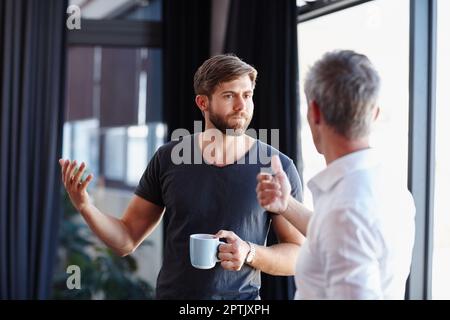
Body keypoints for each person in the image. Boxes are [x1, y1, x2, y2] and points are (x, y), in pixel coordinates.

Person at [59, 54, 304, 300]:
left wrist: (250, 252)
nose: (241, 106)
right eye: (229, 96)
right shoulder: (168, 158)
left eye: (247, 95)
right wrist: (85, 206)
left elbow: (297, 254)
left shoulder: (277, 167)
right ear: (203, 102)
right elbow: (126, 239)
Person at [256, 50, 416, 299]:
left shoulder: (345, 212)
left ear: (315, 112)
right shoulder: (389, 186)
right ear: (374, 113)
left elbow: (343, 228)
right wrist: (285, 204)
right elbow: (334, 237)